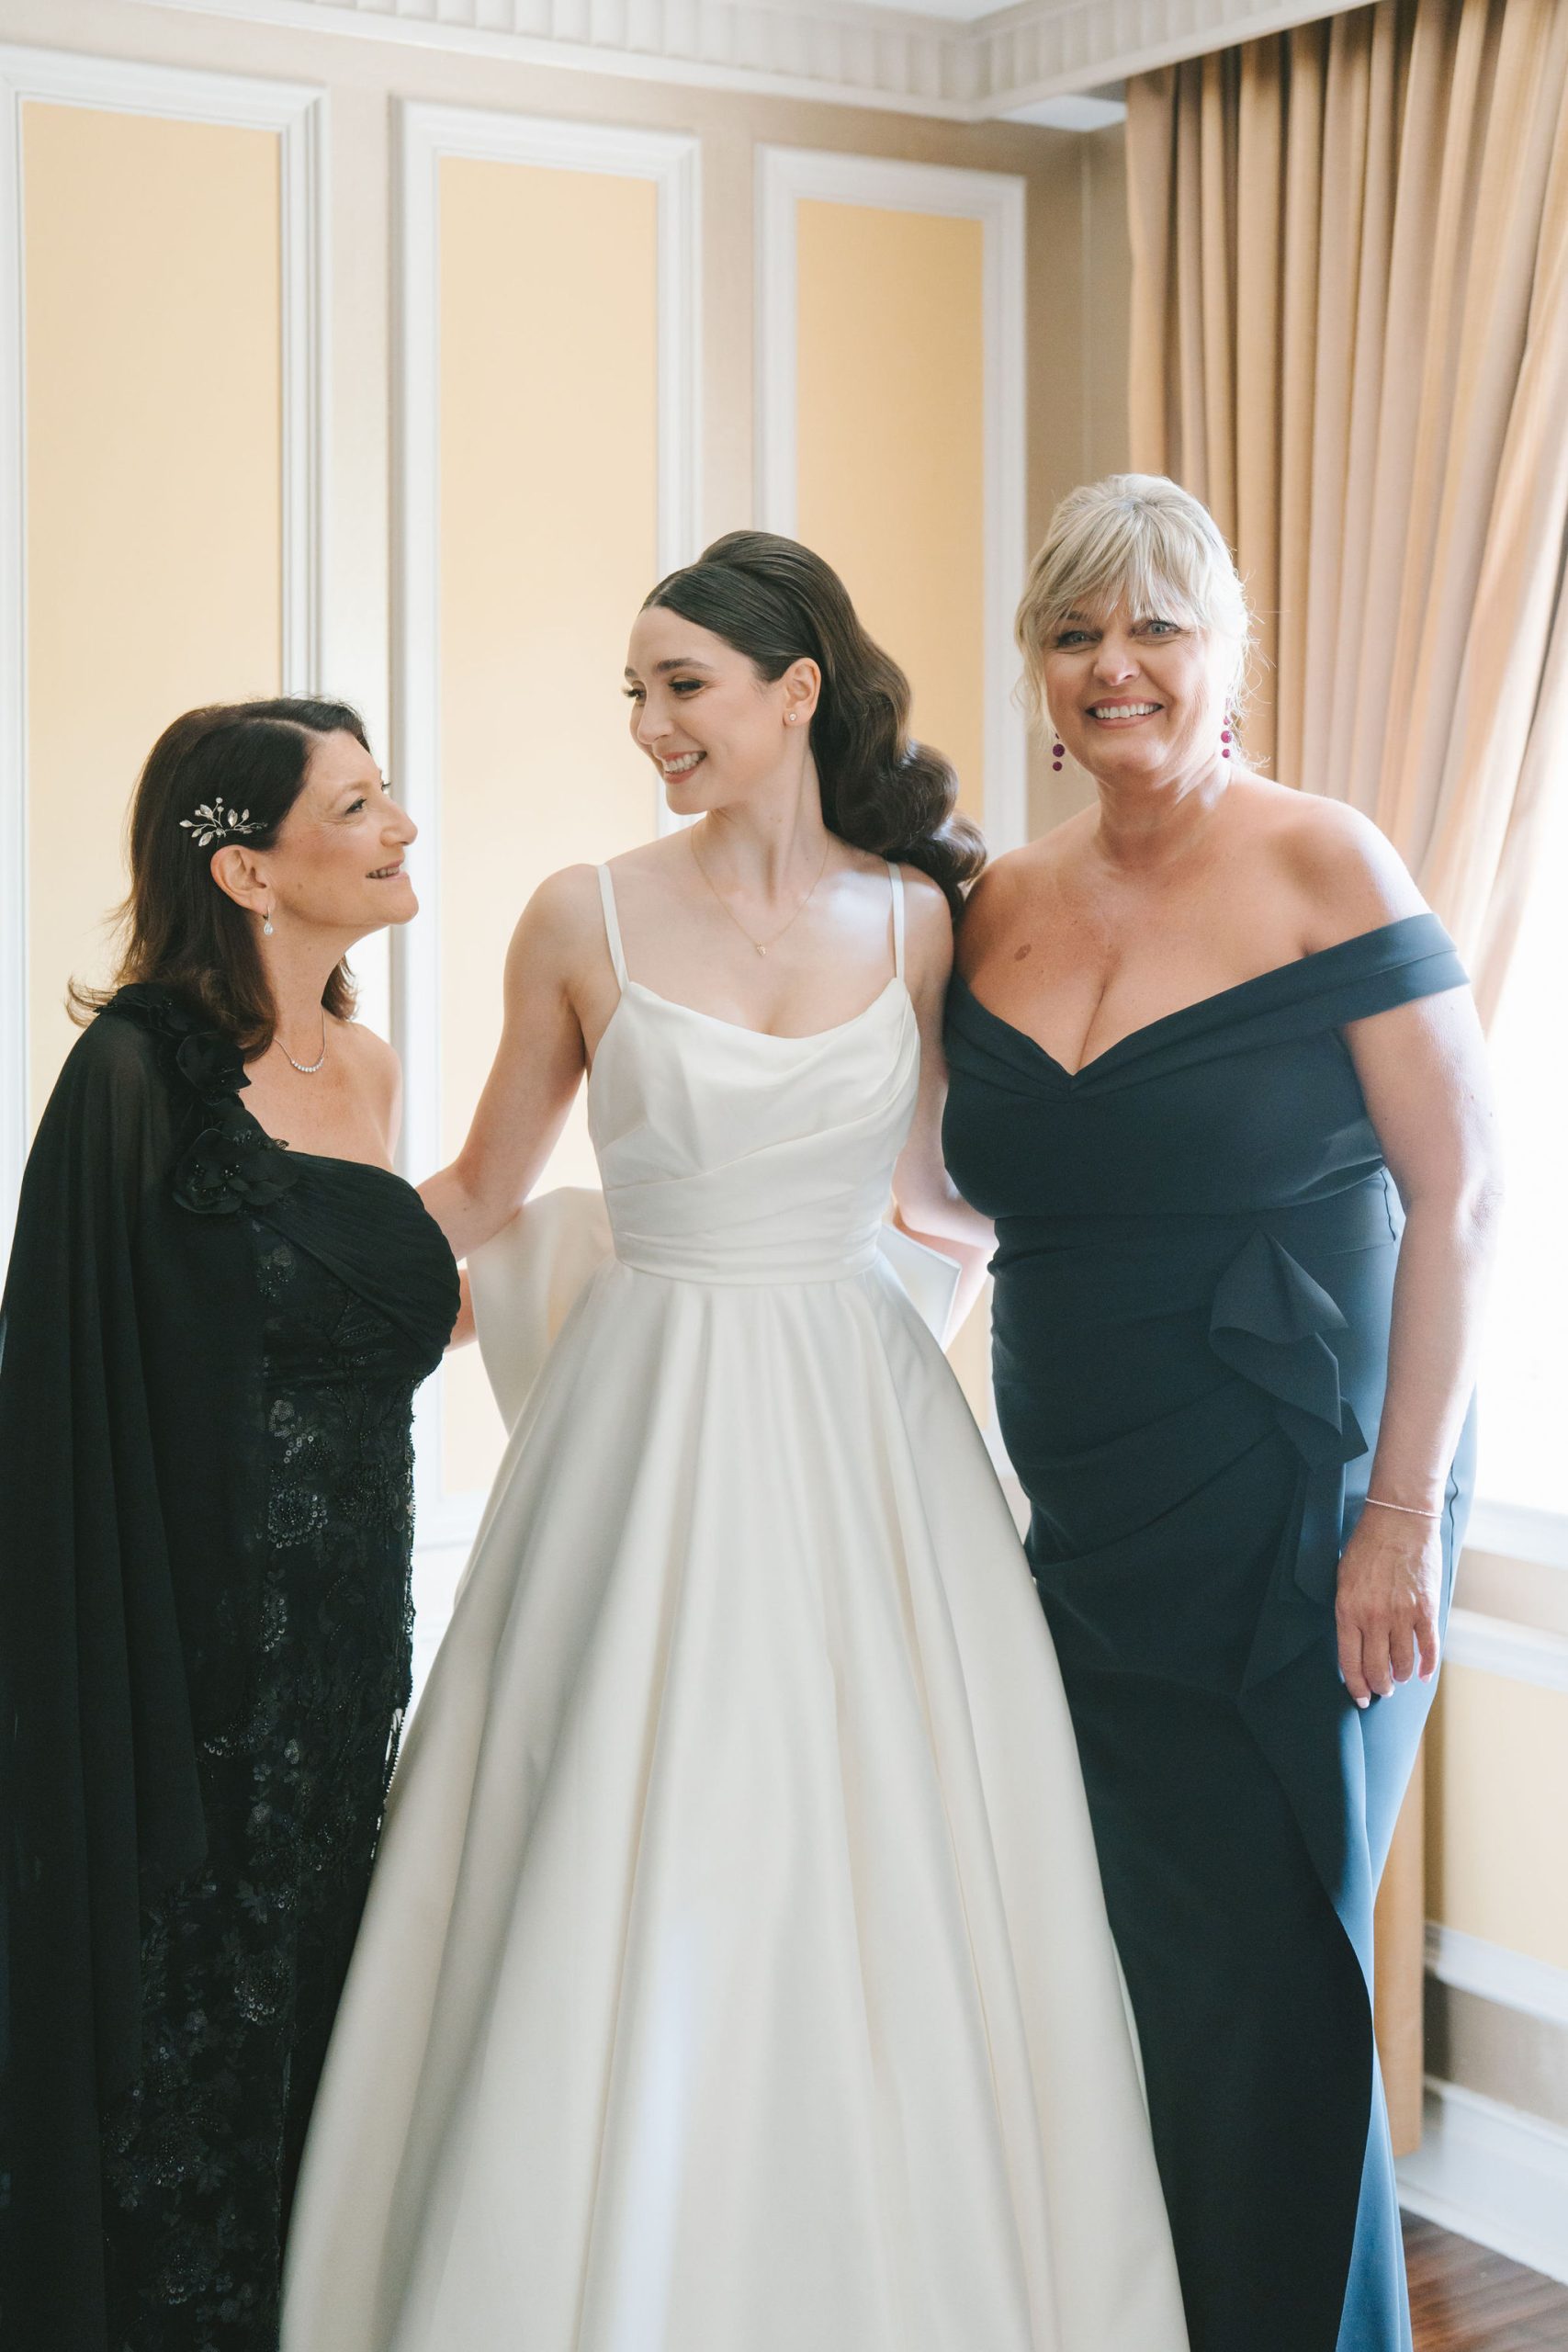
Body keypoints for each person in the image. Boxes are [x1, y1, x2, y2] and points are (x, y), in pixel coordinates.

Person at [280, 533, 1189, 2352]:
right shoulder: (581, 915)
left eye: (680, 685)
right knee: (621, 1837)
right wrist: (267, 1296)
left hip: (863, 1436)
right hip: (643, 1430)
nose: (649, 724)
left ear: (796, 689)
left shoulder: (919, 922)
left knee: (886, 1857)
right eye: (634, 691)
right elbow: (478, 1187)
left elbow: (942, 1201)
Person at [942, 475, 1501, 2352]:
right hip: (1088, 1524)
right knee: (1128, 1980)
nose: (1114, 664)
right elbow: (944, 1193)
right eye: (1074, 632)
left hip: (1309, 1499)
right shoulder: (993, 902)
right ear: (1039, 671)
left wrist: (1398, 1519)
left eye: (1154, 627)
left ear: (1226, 655)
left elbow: (1461, 1195)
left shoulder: (1324, 863)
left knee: (1272, 1980)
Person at [0, 700, 458, 2351]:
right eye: (359, 804)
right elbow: (64, 1392)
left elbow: (371, 1307)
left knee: (321, 2017)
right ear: (250, 871)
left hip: (349, 1658)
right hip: (189, 1670)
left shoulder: (373, 1070)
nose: (402, 826)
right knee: (189, 2040)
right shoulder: (133, 1076)